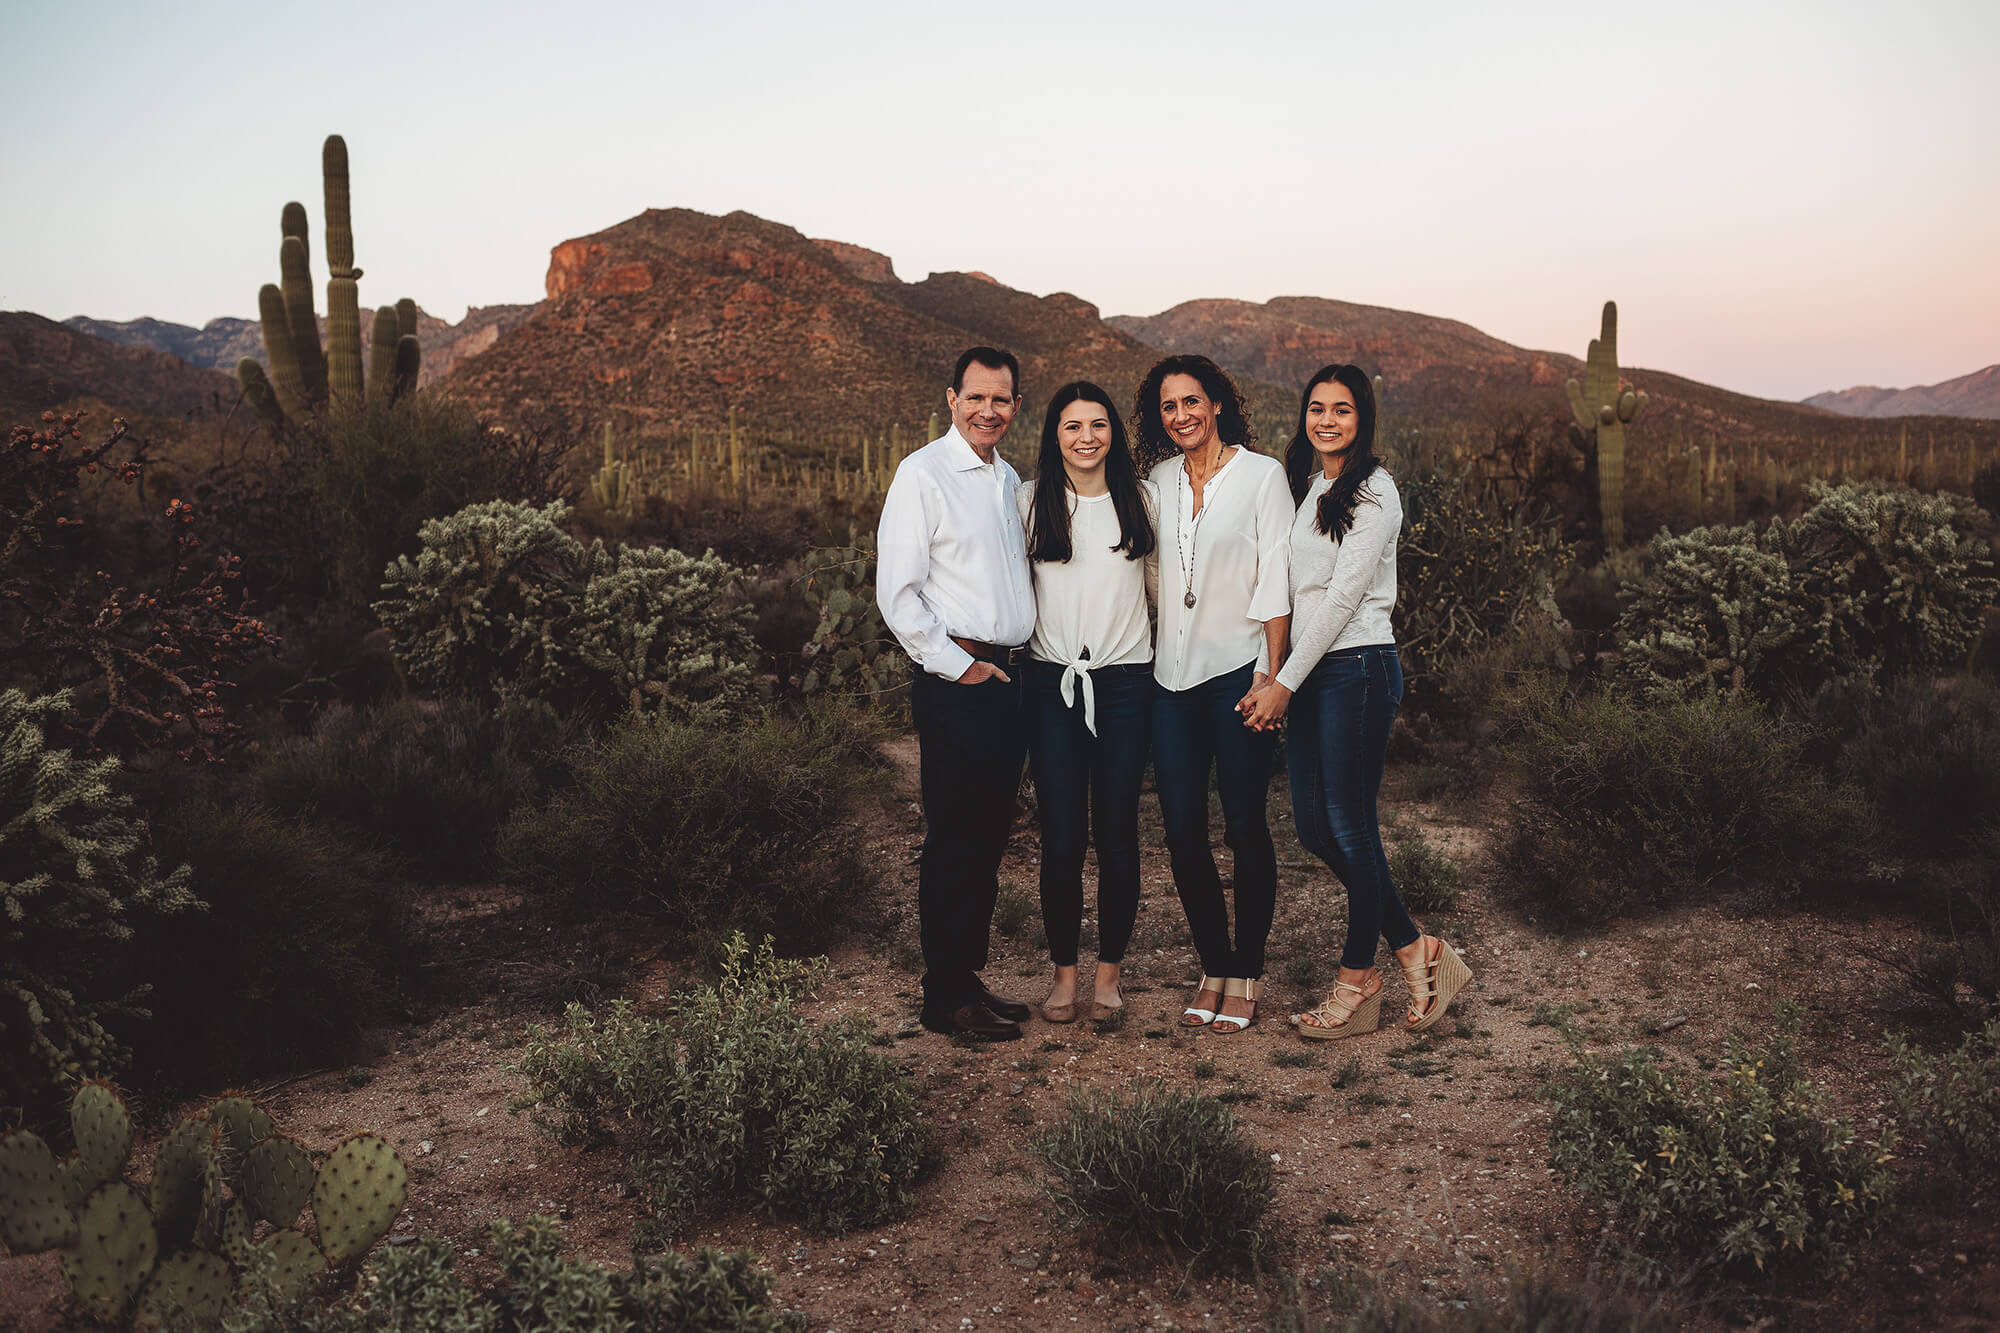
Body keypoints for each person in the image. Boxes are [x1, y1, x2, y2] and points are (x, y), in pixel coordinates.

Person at [1239, 365, 1472, 1038]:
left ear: (1362, 419)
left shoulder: (1375, 492)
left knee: (1352, 825)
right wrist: (1269, 671)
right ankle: (1416, 948)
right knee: (1315, 827)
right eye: (1317, 408)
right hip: (1310, 672)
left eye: (1342, 409)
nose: (1328, 420)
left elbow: (1342, 599)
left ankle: (1355, 981)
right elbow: (1285, 590)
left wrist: (1285, 682)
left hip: (1359, 669)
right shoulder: (1311, 485)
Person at [877, 346, 1038, 1041]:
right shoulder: (924, 474)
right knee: (953, 838)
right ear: (951, 398)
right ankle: (942, 995)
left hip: (1008, 680)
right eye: (976, 397)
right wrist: (954, 664)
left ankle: (967, 977)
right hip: (958, 683)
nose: (988, 410)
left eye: (1000, 400)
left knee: (989, 836)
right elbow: (898, 592)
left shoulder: (1009, 482)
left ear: (1015, 407)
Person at [1135, 354, 1294, 1034]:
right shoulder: (1157, 482)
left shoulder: (1263, 476)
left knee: (1245, 826)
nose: (1182, 416)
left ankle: (1248, 969)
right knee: (1179, 830)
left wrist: (1274, 672)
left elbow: (1278, 577)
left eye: (1192, 401)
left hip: (1239, 673)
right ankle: (1214, 962)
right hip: (1170, 681)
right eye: (1169, 407)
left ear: (1219, 403)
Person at [1018, 382, 1158, 1025]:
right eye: (1072, 425)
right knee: (1064, 837)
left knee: (1117, 832)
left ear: (1113, 433)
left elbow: (1160, 590)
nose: (1085, 437)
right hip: (1053, 687)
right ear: (1055, 434)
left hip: (1126, 685)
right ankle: (1064, 976)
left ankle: (1109, 979)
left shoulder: (1142, 501)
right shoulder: (1030, 502)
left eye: (1097, 424)